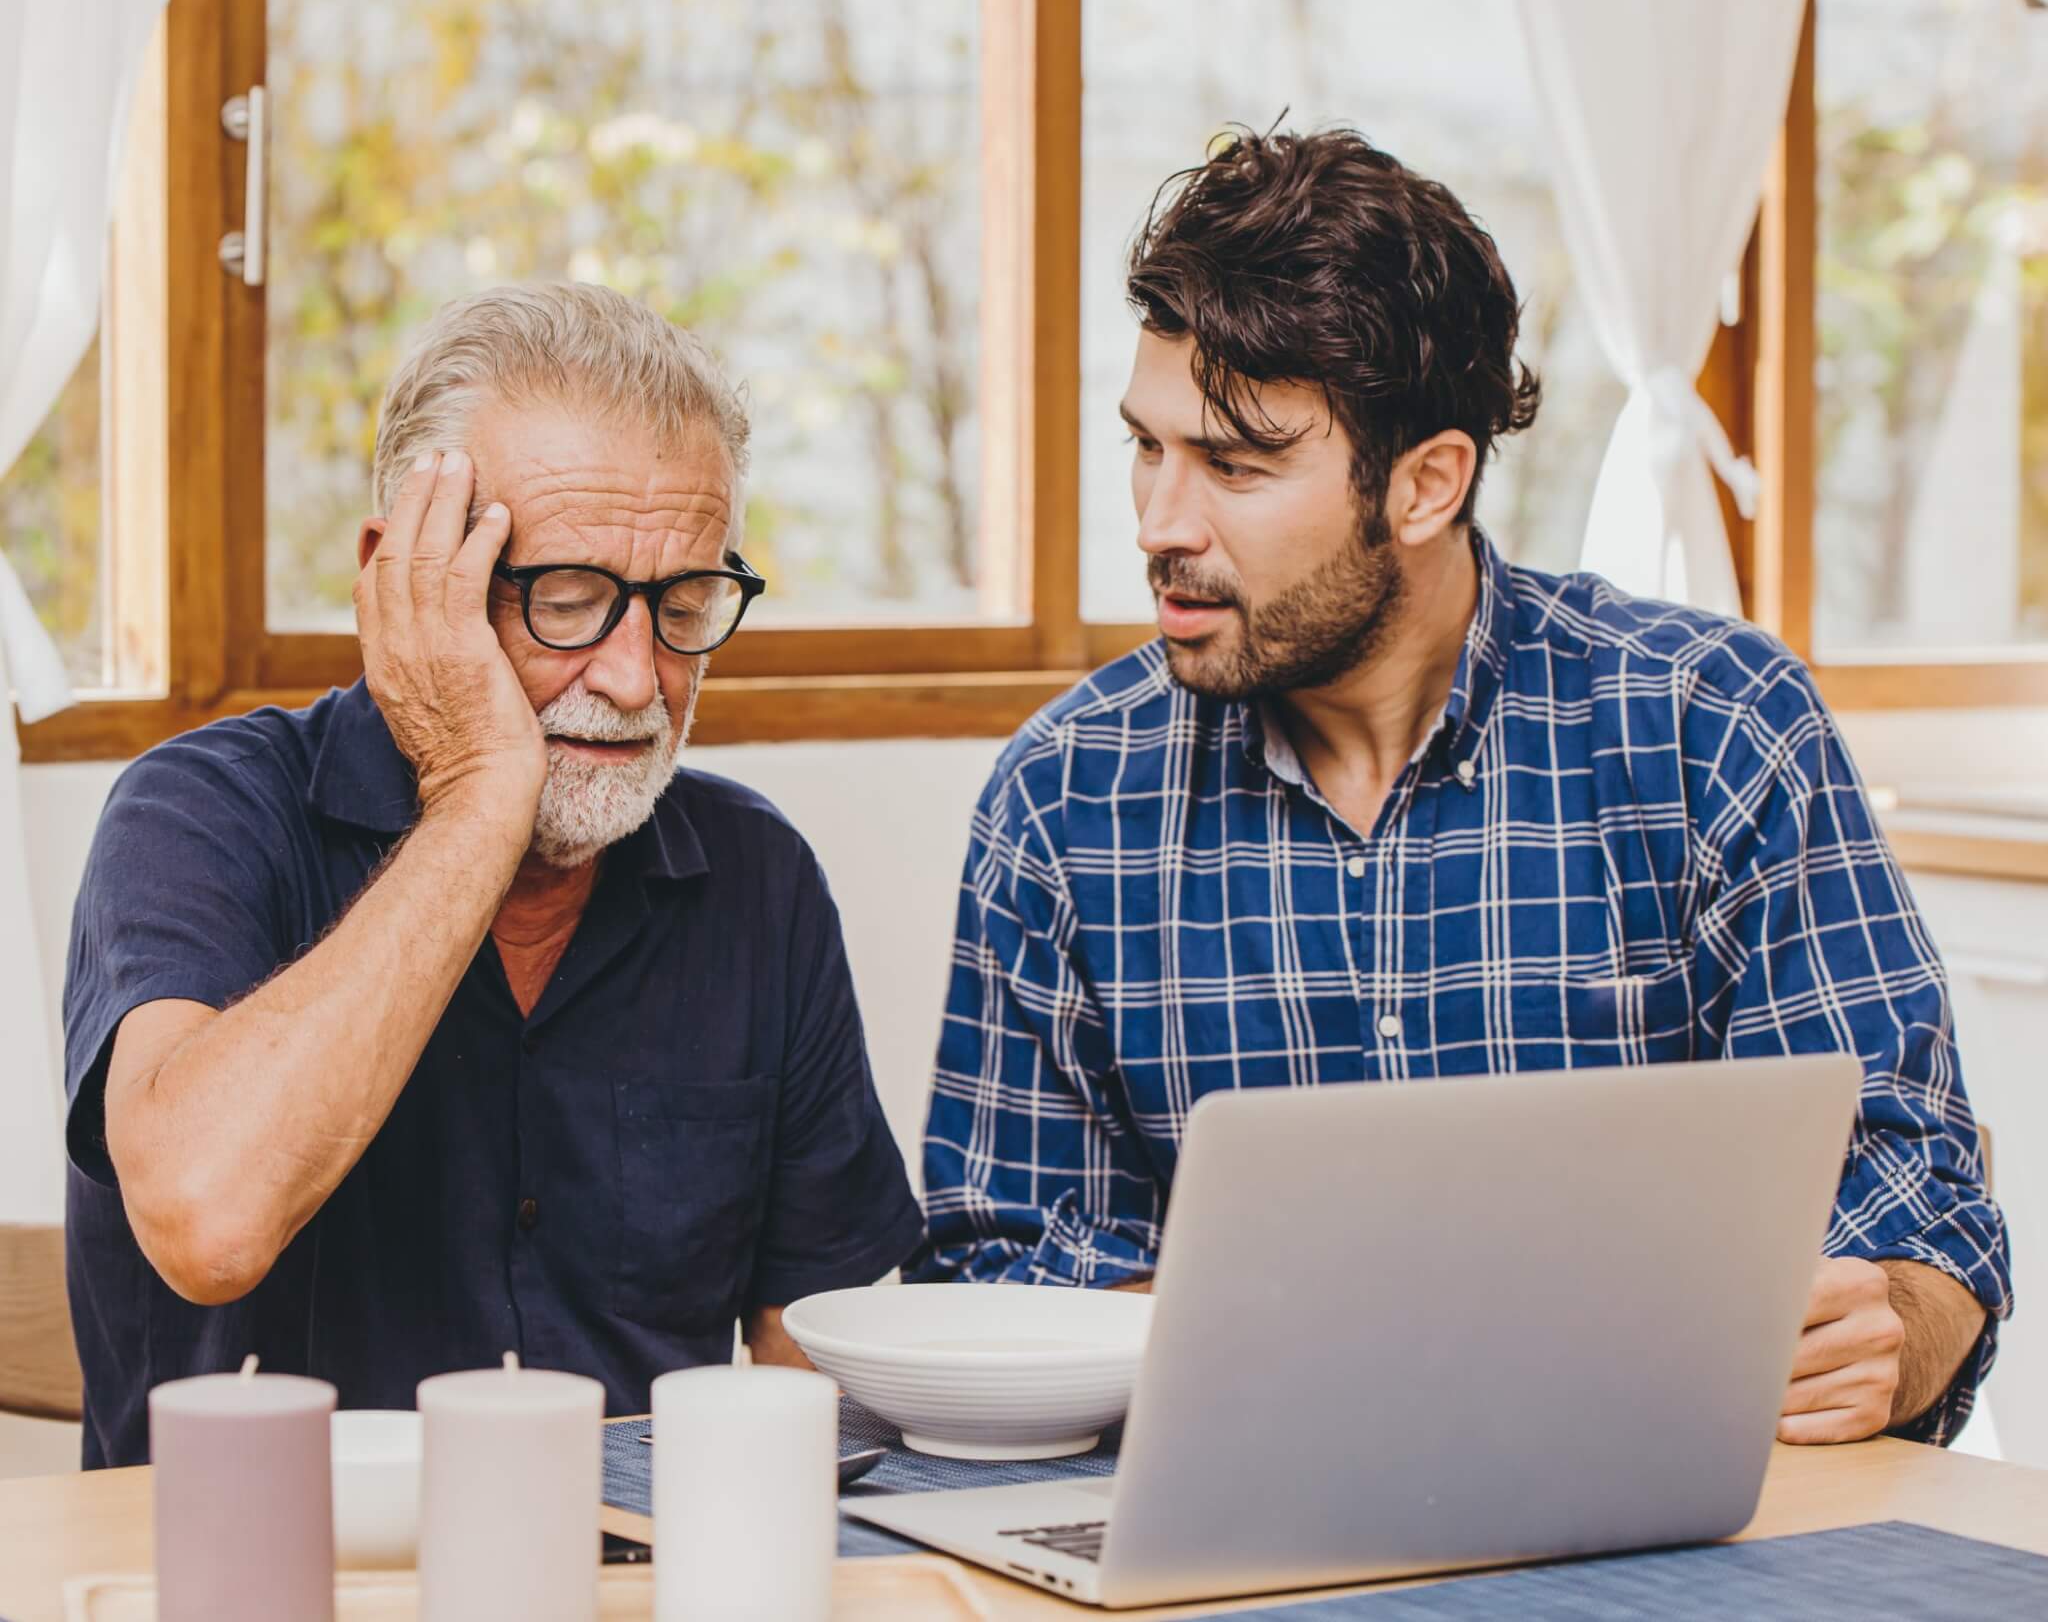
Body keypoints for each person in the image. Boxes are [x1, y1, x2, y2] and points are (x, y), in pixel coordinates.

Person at [919, 128, 2010, 1448]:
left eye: (1237, 463)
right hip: (1243, 1539)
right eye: (1146, 448)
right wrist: (1344, 1362)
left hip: (1673, 1537)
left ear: (1429, 482)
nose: (1160, 520)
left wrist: (1900, 1321)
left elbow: (1913, 1190)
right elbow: (1003, 1262)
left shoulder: (1714, 732)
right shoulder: (1062, 801)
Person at [63, 283, 922, 1469]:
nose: (634, 677)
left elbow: (811, 1374)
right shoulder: (200, 813)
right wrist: (477, 793)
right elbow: (208, 1220)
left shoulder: (756, 880)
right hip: (266, 1574)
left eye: (683, 606)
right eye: (567, 602)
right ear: (401, 577)